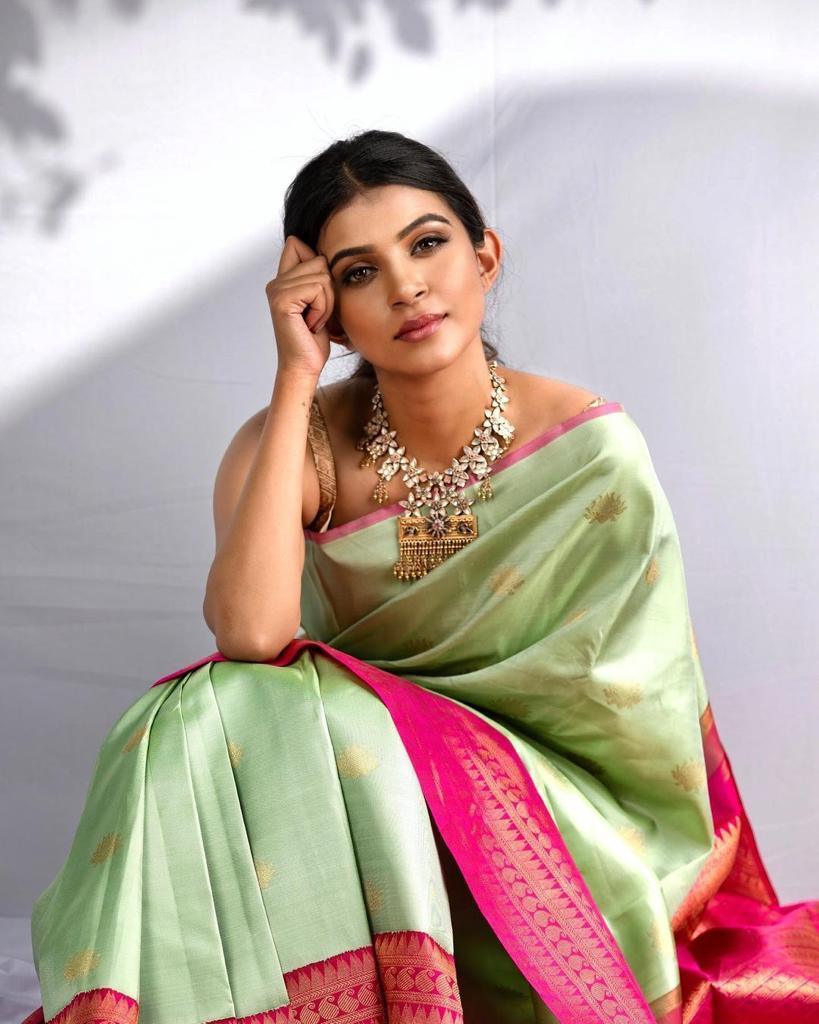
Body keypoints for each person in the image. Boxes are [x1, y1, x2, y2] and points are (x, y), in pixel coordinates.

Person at [22, 130, 819, 1024]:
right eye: (359, 272)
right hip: (365, 802)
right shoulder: (299, 441)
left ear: (485, 256)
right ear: (325, 311)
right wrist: (294, 377)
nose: (405, 286)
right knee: (207, 708)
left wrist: (444, 746)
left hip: (550, 816)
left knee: (328, 718)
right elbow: (247, 636)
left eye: (428, 244)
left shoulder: (590, 451)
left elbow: (632, 711)